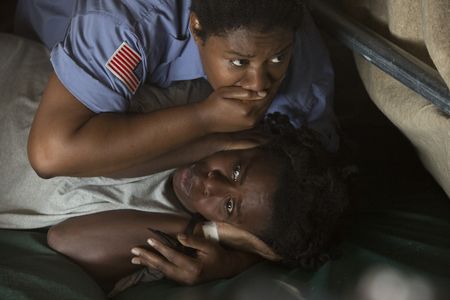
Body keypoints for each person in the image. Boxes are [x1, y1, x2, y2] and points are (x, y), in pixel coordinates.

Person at [13, 0, 338, 179]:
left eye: (278, 58)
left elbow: (313, 177)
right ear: (196, 28)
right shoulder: (128, 19)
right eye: (239, 62)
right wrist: (204, 125)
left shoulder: (284, 31)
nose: (259, 85)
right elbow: (50, 155)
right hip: (47, 24)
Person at [46, 113, 349, 294]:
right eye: (236, 170)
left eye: (229, 207)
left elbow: (64, 239)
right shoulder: (196, 107)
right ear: (252, 143)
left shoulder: (179, 247)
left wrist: (202, 233)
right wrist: (212, 142)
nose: (211, 184)